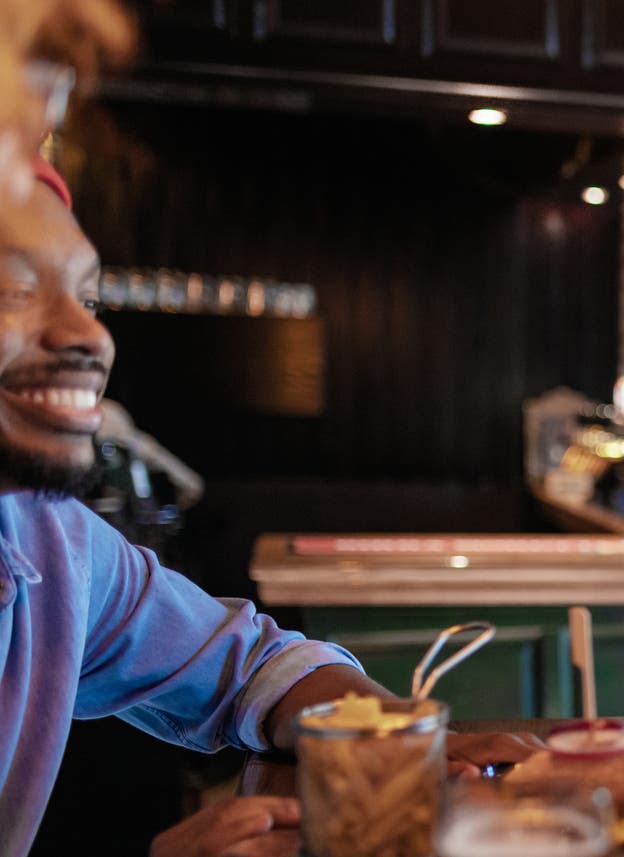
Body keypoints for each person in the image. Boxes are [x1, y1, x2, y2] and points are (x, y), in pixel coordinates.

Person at [0, 13, 540, 857]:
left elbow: (243, 660)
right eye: (11, 288)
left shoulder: (44, 539)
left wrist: (385, 729)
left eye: (91, 297)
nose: (89, 336)